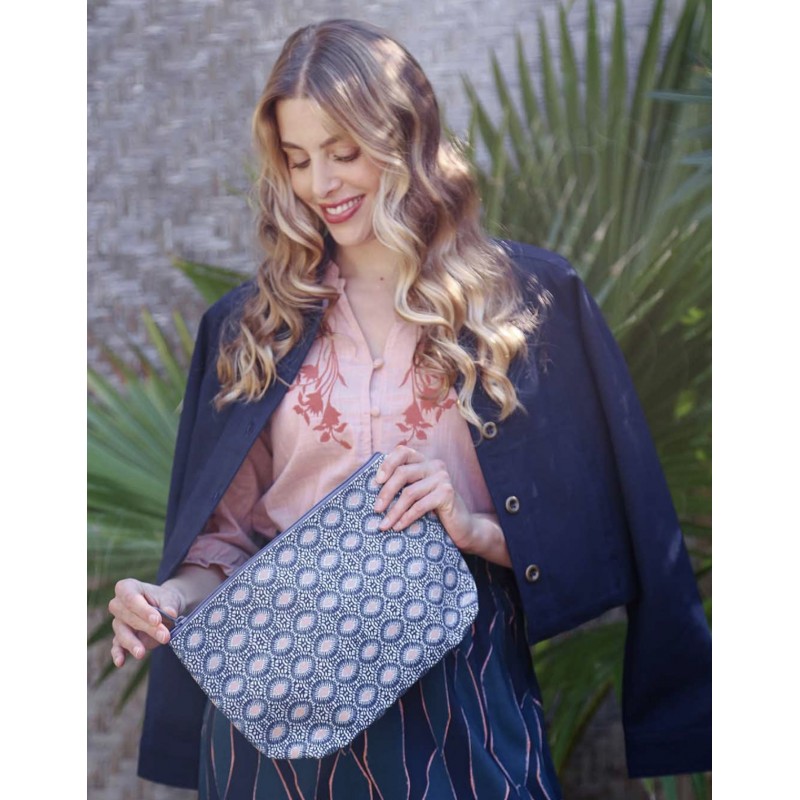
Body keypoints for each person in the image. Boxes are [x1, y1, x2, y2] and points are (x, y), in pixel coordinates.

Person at [107, 18, 711, 799]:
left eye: (343, 150)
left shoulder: (525, 303)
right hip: (278, 715)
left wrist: (473, 526)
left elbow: (606, 532)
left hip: (463, 691)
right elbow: (222, 545)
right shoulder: (249, 327)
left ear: (403, 135)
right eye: (298, 158)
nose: (321, 183)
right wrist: (168, 599)